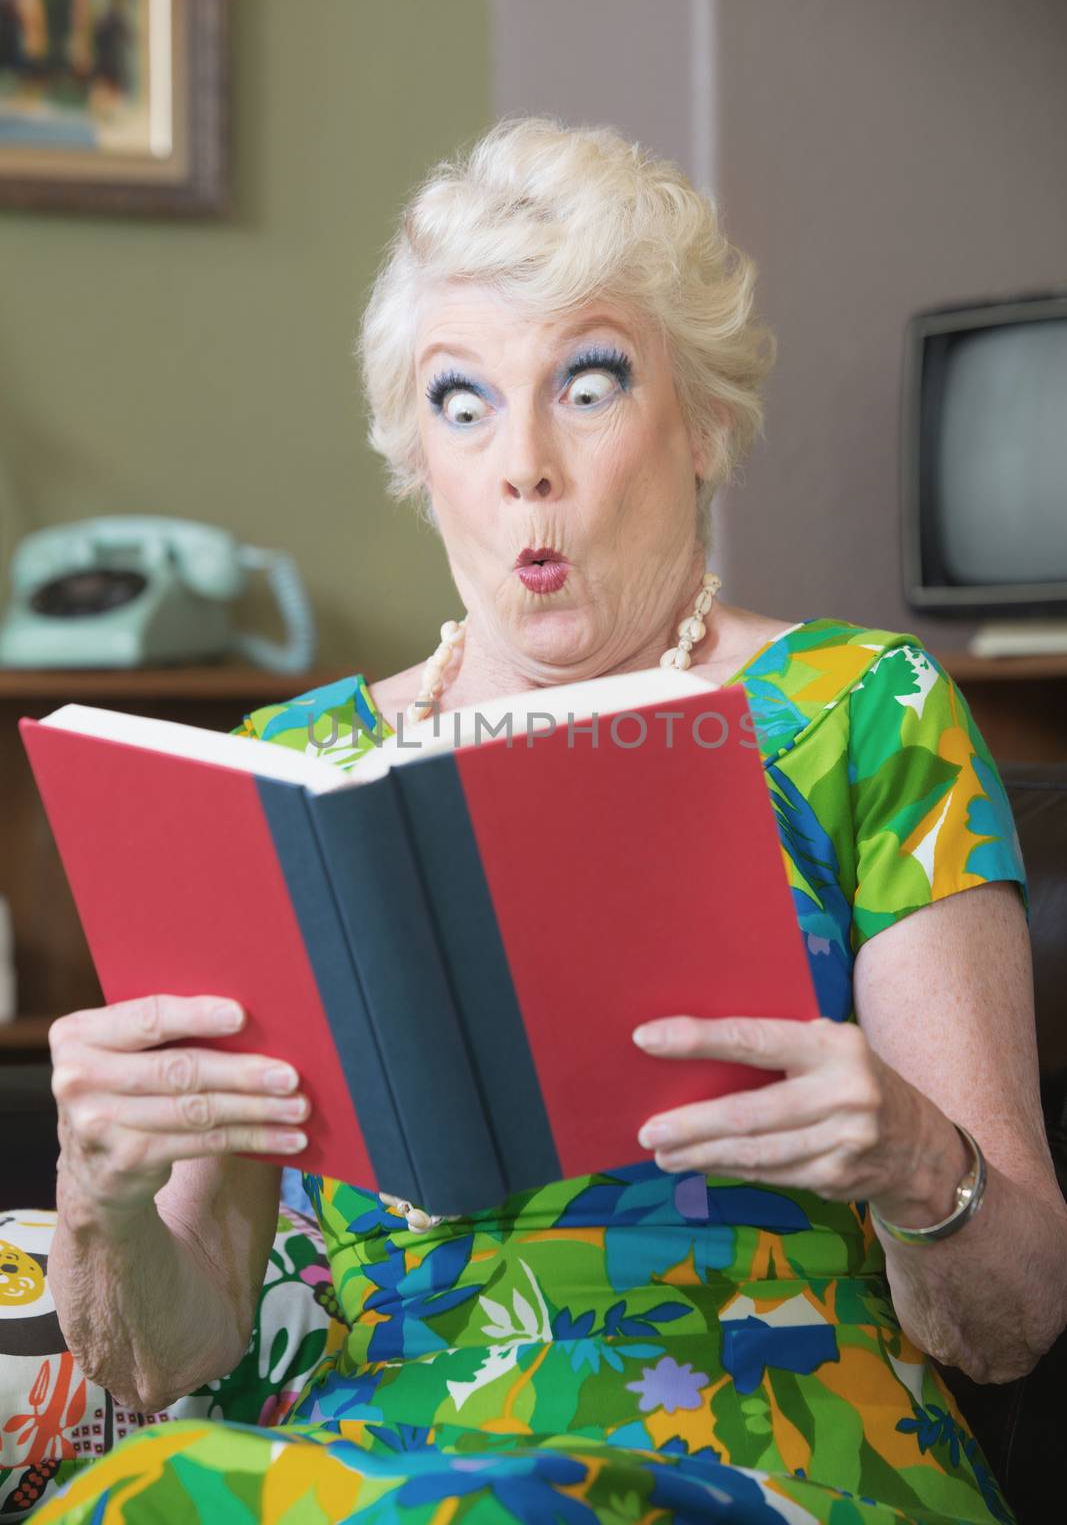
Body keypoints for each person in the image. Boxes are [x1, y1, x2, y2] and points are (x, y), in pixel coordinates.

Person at [37, 118, 1067, 1524]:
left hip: (767, 1440)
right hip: (349, 1456)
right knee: (137, 1494)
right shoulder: (290, 769)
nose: (524, 462)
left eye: (588, 385)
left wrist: (910, 1155)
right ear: (418, 454)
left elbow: (1007, 1323)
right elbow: (168, 1352)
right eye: (463, 404)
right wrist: (97, 1187)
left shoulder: (863, 713)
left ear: (701, 420)